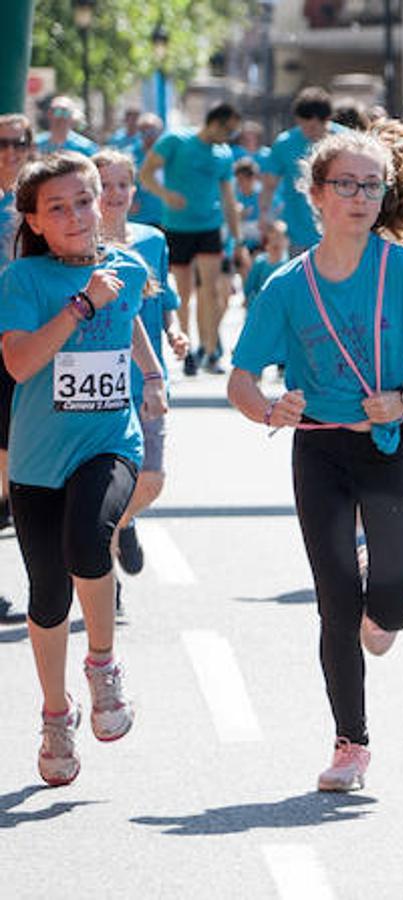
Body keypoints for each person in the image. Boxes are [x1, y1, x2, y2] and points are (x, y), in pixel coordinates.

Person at [227, 122, 403, 792]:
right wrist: (268, 407)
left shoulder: (402, 267)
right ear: (316, 195)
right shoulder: (286, 285)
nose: (361, 197)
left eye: (372, 186)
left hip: (387, 444)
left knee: (397, 600)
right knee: (334, 601)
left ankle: (382, 606)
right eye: (347, 185)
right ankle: (350, 743)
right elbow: (240, 380)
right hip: (319, 449)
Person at [1, 151, 169, 785]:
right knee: (46, 593)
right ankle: (54, 714)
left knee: (88, 539)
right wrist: (79, 306)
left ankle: (102, 667)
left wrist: (152, 374)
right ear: (36, 222)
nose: (74, 216)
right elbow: (18, 363)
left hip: (109, 440)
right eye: (57, 208)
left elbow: (126, 323)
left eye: (83, 201)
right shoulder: (23, 280)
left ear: (102, 202)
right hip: (39, 459)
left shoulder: (127, 264)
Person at [93, 149, 187, 587]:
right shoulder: (77, 242)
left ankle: (120, 523)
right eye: (105, 185)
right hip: (101, 381)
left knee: (150, 480)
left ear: (134, 190)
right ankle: (104, 584)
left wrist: (175, 331)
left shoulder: (152, 240)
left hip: (148, 381)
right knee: (102, 482)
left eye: (122, 185)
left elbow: (164, 299)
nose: (114, 194)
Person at [140, 102, 242, 376]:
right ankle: (186, 348)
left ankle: (209, 351)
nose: (230, 136)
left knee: (211, 289)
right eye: (228, 130)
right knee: (183, 292)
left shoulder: (224, 154)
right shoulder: (176, 140)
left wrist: (237, 236)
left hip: (209, 226)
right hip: (177, 226)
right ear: (215, 123)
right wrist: (165, 195)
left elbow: (229, 198)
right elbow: (146, 173)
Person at [0, 112, 33, 624]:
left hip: (25, 345)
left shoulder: (35, 204)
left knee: (11, 467)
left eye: (20, 142)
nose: (11, 150)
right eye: (3, 143)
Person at [263, 88, 347, 256]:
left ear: (327, 120)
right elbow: (269, 184)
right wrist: (265, 214)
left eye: (316, 126)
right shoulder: (285, 143)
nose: (311, 132)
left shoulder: (346, 140)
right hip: (297, 232)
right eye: (305, 126)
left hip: (339, 228)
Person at [127, 113, 166, 229]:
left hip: (165, 216)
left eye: (152, 132)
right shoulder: (129, 155)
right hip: (139, 218)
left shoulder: (170, 154)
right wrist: (130, 200)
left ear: (160, 132)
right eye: (143, 132)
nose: (149, 136)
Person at [245, 220, 289, 308]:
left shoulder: (289, 264)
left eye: (280, 237)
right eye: (274, 237)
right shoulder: (261, 261)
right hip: (262, 305)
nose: (277, 241)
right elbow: (250, 286)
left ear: (287, 241)